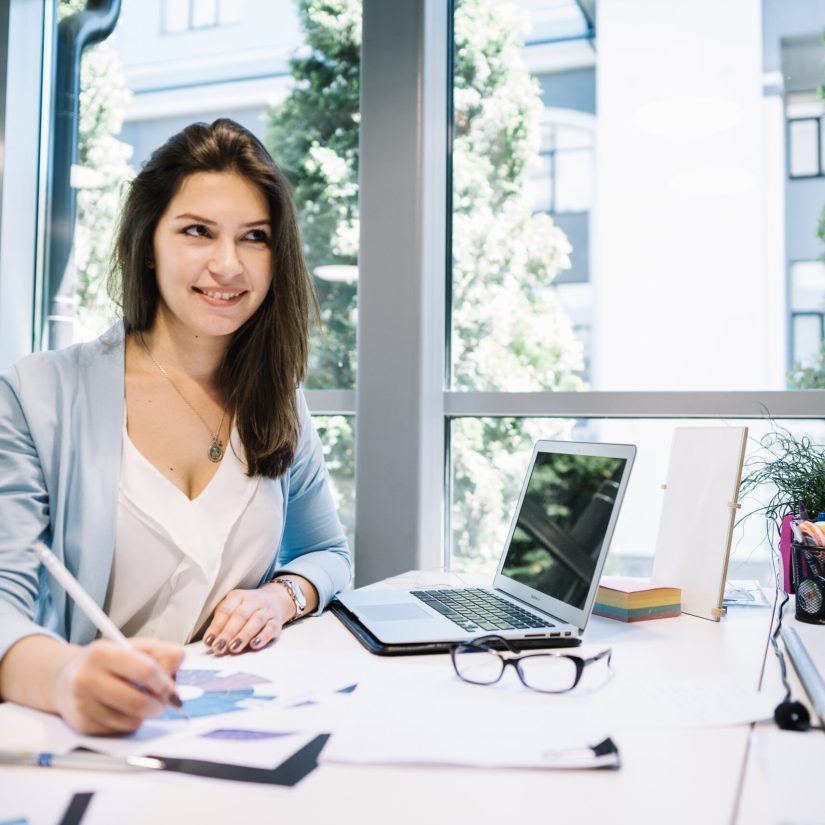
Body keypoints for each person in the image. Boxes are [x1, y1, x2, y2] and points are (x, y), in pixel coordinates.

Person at [0, 119, 352, 735]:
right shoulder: (37, 394)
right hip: (75, 734)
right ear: (147, 244)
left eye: (255, 238)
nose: (227, 264)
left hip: (232, 725)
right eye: (197, 231)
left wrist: (280, 597)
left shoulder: (278, 401)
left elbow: (328, 554)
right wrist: (65, 679)